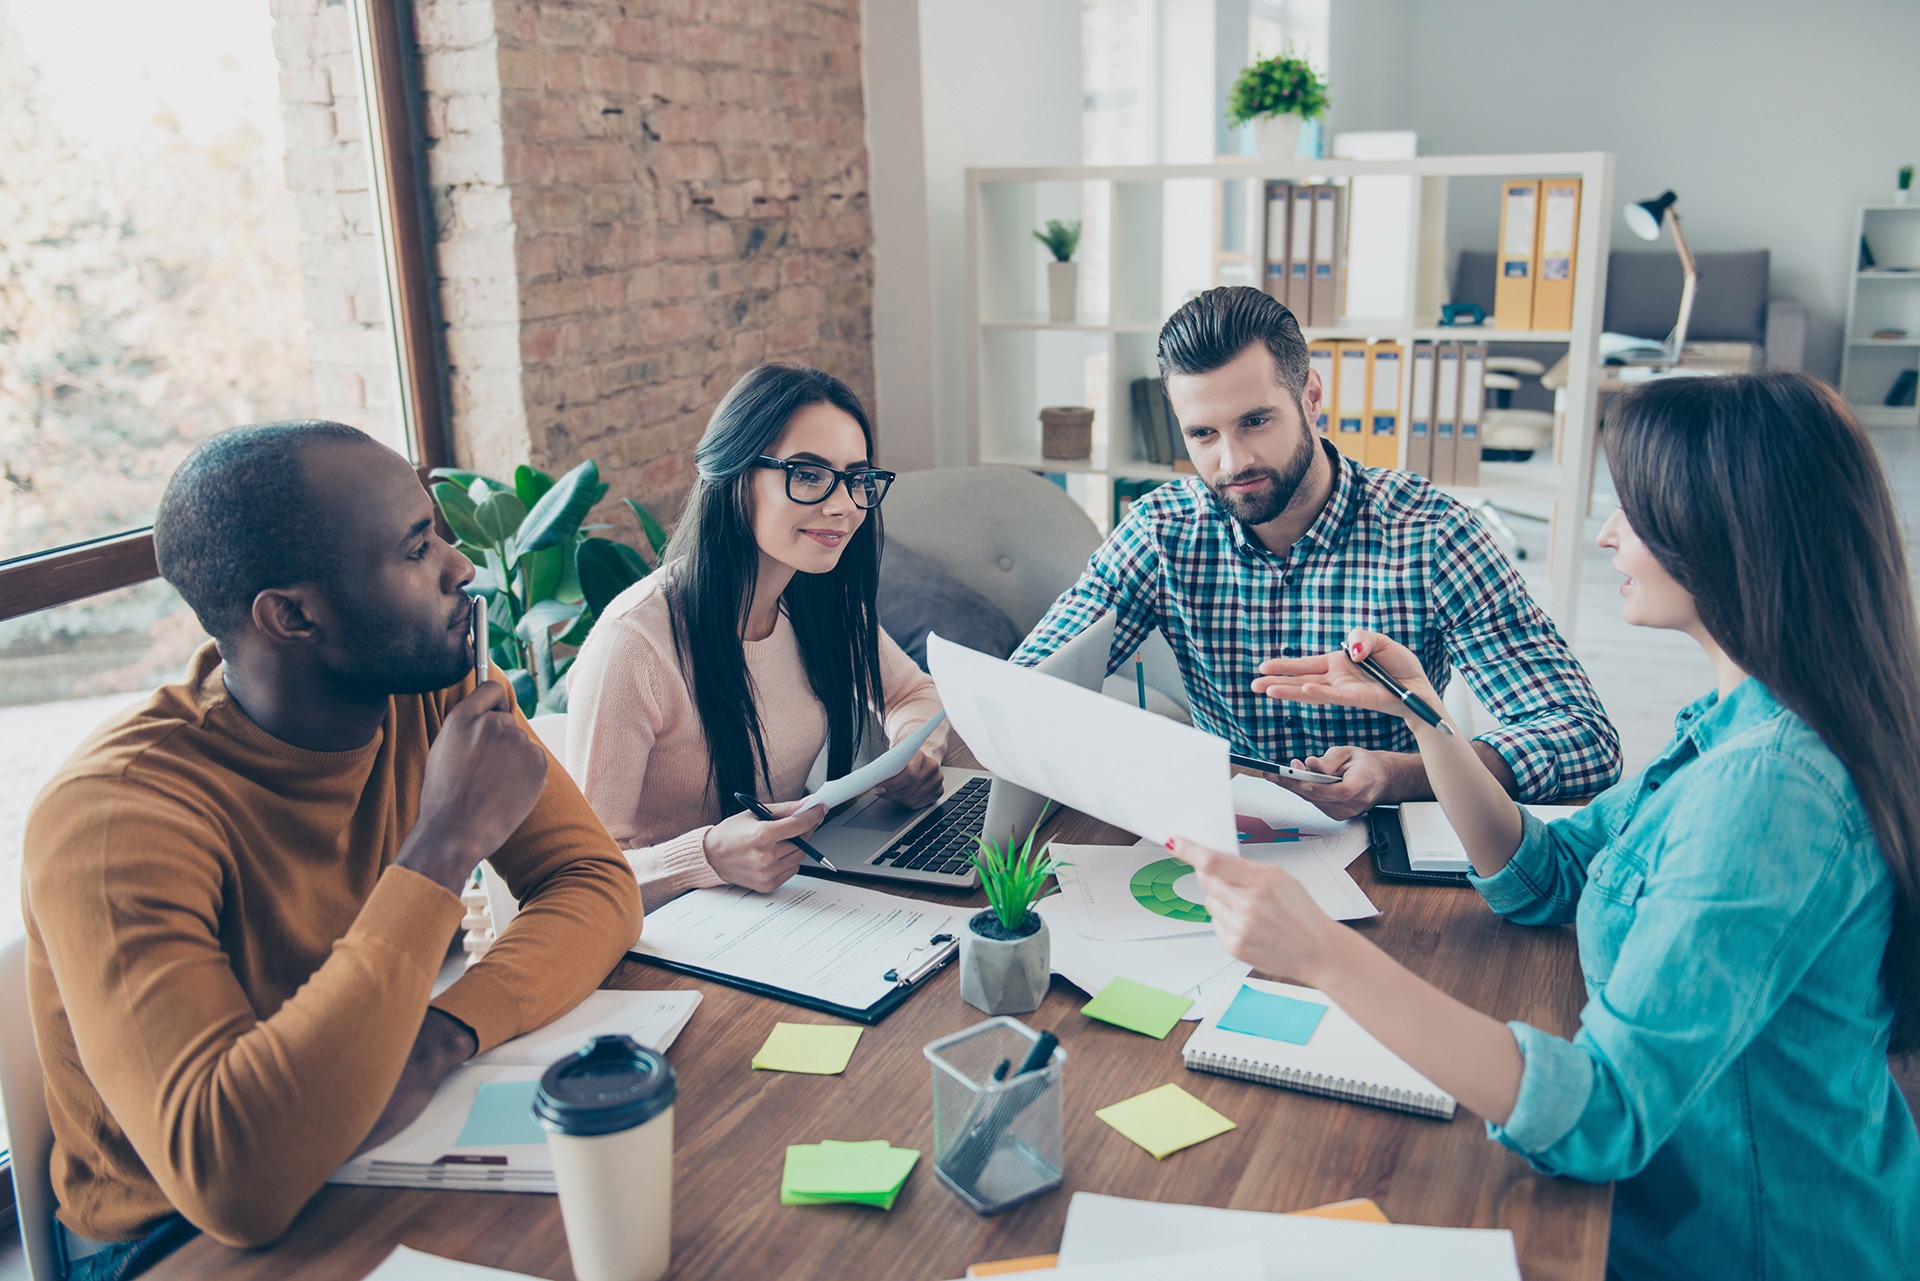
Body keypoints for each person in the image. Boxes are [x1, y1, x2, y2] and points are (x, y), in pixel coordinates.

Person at [1175, 371, 1920, 1279]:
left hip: (1745, 1244)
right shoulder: (1737, 721)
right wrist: (1424, 714)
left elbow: (1605, 1112)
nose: (1607, 532)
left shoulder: (1770, 792)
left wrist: (1326, 955)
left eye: (1632, 512)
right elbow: (1551, 872)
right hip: (1674, 1203)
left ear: (1727, 532)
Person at [22, 422, 642, 1277]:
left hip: (377, 1134)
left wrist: (436, 1036)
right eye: (417, 547)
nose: (461, 569)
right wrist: (445, 839)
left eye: (443, 533)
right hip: (172, 1238)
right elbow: (233, 1177)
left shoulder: (425, 685)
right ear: (291, 614)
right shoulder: (114, 817)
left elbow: (593, 882)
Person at [1012, 286, 1619, 816]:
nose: (1232, 462)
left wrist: (1398, 774)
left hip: (1394, 826)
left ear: (1311, 396)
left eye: (1255, 421)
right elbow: (1023, 687)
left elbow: (1585, 739)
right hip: (1226, 830)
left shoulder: (1431, 534)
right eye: (1203, 434)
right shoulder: (1161, 530)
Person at [568, 364, 947, 910]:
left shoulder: (818, 599)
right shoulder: (634, 648)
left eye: (857, 478)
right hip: (670, 933)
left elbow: (915, 695)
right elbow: (580, 876)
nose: (843, 505)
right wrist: (707, 855)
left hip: (788, 903)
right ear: (735, 477)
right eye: (809, 475)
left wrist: (917, 756)